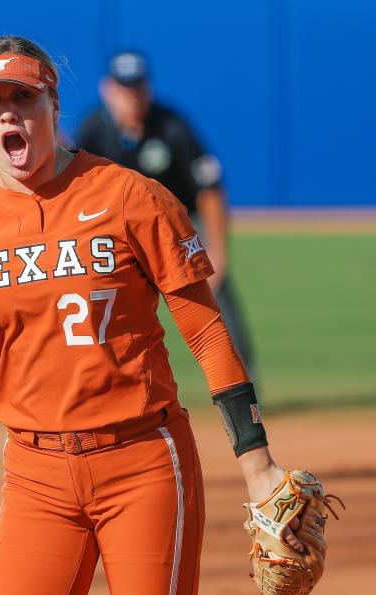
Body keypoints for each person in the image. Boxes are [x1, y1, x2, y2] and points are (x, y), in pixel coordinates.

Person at [0, 35, 302, 595]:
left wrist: (256, 463)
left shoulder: (131, 198)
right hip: (36, 478)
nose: (8, 114)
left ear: (53, 105)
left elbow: (206, 332)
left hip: (144, 464)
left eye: (23, 98)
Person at [75, 50, 256, 376]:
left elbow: (210, 188)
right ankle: (99, 376)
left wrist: (218, 253)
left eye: (137, 87)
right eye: (123, 88)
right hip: (116, 229)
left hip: (180, 226)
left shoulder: (172, 126)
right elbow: (74, 194)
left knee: (216, 291)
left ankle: (242, 381)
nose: (131, 96)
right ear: (107, 89)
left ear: (149, 88)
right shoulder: (92, 130)